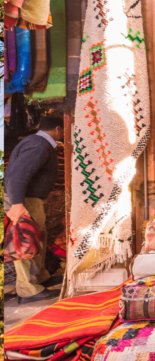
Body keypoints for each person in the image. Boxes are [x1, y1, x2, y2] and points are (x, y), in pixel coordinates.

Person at [5, 115, 65, 304]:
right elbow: (18, 173)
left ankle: (40, 278)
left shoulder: (38, 143)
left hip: (30, 198)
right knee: (24, 241)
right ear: (57, 129)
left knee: (38, 238)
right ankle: (27, 289)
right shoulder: (39, 145)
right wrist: (17, 203)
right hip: (24, 200)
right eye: (63, 131)